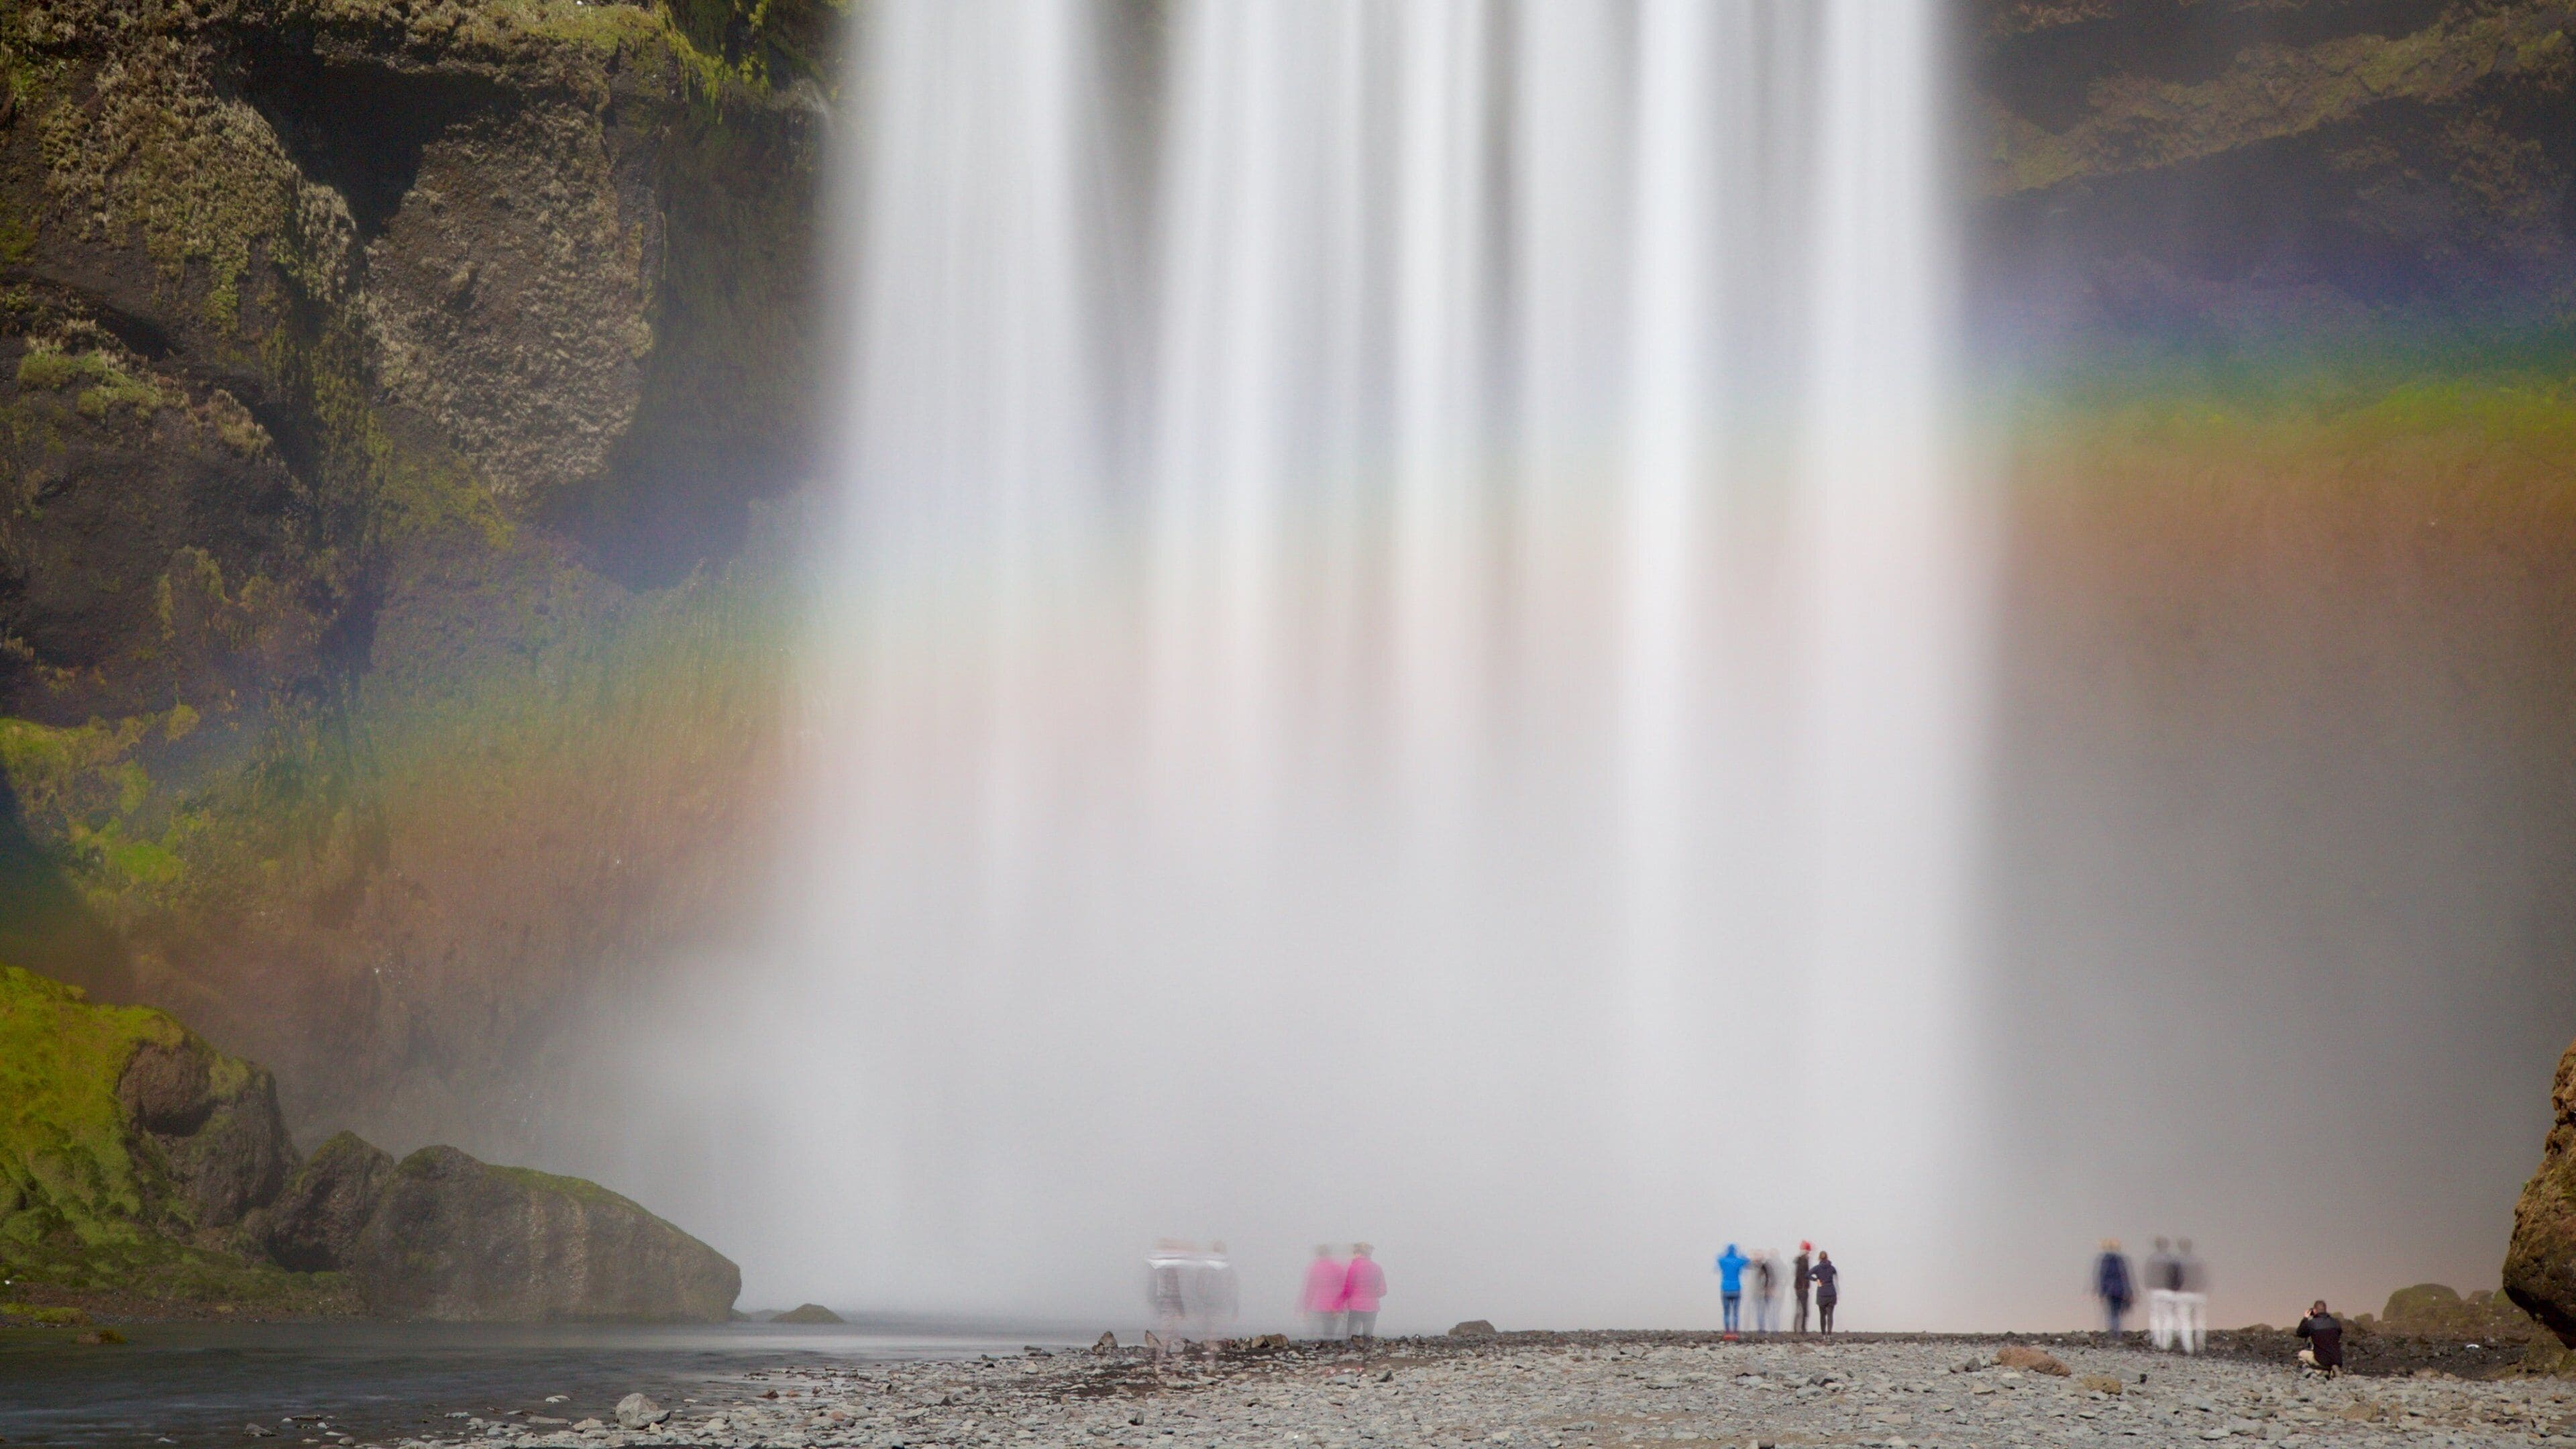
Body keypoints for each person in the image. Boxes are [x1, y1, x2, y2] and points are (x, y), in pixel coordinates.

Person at [1186, 1241, 1240, 1340]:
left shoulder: (1227, 1270)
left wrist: (1235, 1306)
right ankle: (1209, 1344)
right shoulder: (1206, 1269)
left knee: (1215, 1328)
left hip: (1219, 1304)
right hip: (1208, 1304)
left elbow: (1232, 1289)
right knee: (1208, 1328)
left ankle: (1212, 1343)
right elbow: (1198, 1286)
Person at [1300, 1244, 1350, 1341]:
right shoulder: (1337, 1267)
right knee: (1330, 1333)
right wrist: (1342, 1306)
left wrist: (1306, 1308)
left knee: (1315, 1334)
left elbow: (1310, 1290)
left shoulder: (1314, 1268)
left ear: (1318, 1254)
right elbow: (1344, 1288)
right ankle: (1329, 1346)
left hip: (1318, 1306)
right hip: (1334, 1306)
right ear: (1329, 1253)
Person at [1342, 1244, 1387, 1339]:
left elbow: (1348, 1289)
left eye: (1354, 1253)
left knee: (1351, 1338)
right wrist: (1372, 1295)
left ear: (1359, 1253)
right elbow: (1383, 1290)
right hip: (1372, 1307)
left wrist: (1337, 1305)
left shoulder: (1354, 1267)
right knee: (1367, 1337)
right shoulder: (1377, 1268)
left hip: (1356, 1306)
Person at [2145, 1237, 2180, 1350]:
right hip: (2168, 1290)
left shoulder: (2151, 1259)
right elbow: (2177, 1276)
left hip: (2155, 1290)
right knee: (2168, 1316)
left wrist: (2149, 1287)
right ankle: (2167, 1342)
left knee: (2155, 1316)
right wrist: (2175, 1288)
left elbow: (2148, 1276)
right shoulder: (2172, 1259)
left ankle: (2157, 1341)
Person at [2174, 1238, 2208, 1354]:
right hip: (2198, 1294)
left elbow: (2175, 1279)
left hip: (2184, 1293)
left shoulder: (2177, 1262)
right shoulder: (2198, 1261)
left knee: (2185, 1321)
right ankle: (2200, 1344)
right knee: (2200, 1320)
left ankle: (2188, 1347)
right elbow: (2204, 1278)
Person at [2094, 1239, 2135, 1335]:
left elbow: (2103, 1277)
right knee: (2116, 1312)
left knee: (2112, 1312)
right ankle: (2116, 1331)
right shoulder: (2120, 1260)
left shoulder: (2104, 1260)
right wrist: (2129, 1292)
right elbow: (2125, 1277)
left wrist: (2101, 1292)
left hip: (2109, 1291)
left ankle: (2113, 1331)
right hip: (2120, 1290)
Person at [2296, 1300, 2343, 1377]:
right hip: (2337, 1360)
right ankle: (2332, 1369)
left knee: (2302, 1354)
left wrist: (2305, 1318)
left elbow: (2300, 1333)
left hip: (2321, 1360)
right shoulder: (2336, 1323)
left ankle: (2316, 1373)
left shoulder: (2312, 1323)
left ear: (2314, 1311)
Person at [1715, 1243, 1748, 1335]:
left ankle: (1728, 1331)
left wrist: (1723, 1253)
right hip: (1736, 1288)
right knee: (1735, 1312)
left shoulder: (1723, 1261)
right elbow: (1747, 1261)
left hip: (1725, 1288)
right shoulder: (1738, 1261)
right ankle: (1735, 1331)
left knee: (1726, 1313)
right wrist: (1741, 1254)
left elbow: (1718, 1258)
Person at [1811, 1250, 1839, 1334]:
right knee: (1830, 1315)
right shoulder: (1832, 1268)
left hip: (1821, 1293)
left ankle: (1823, 1334)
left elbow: (1807, 1275)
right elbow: (1836, 1280)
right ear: (1827, 1258)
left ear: (1819, 1258)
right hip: (1831, 1293)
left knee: (1822, 1315)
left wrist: (1817, 1280)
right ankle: (1829, 1333)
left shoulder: (1817, 1268)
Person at [1752, 1251, 1779, 1334]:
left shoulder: (1761, 1268)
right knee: (1769, 1312)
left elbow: (1770, 1279)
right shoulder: (1767, 1267)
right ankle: (1773, 1330)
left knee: (1762, 1312)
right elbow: (1774, 1279)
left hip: (1762, 1293)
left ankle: (1763, 1330)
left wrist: (1768, 1289)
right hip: (1764, 1293)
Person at [1793, 1243, 1813, 1334]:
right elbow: (1802, 1275)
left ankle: (1797, 1328)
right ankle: (1802, 1329)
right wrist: (1804, 1286)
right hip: (1802, 1288)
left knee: (1799, 1308)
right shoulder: (1804, 1261)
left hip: (1799, 1288)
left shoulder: (1800, 1260)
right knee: (1804, 1310)